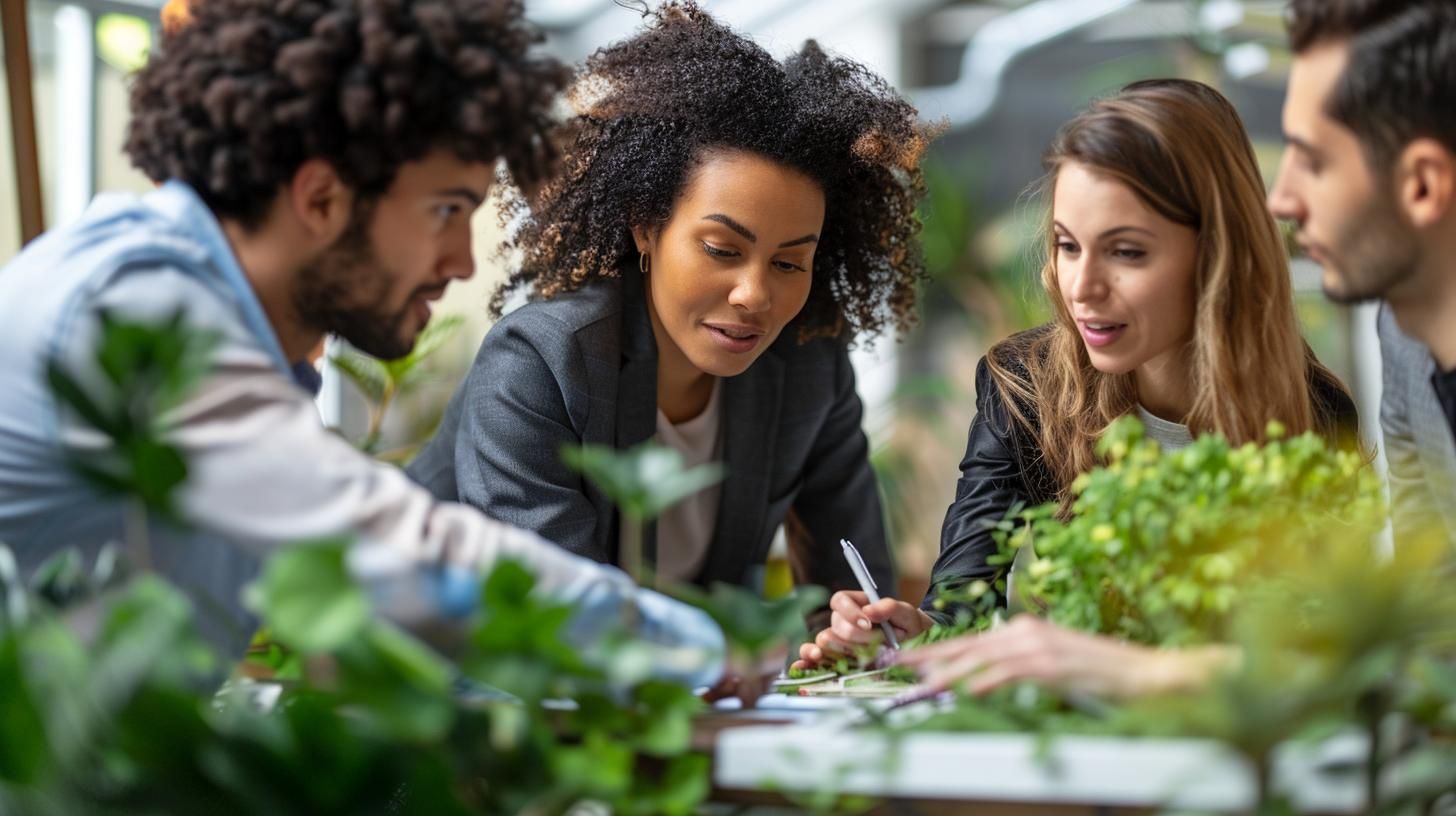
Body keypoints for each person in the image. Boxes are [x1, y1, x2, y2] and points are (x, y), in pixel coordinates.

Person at [0, 0, 724, 689]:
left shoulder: (185, 304)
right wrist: (697, 650)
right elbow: (388, 554)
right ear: (320, 198)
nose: (462, 263)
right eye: (446, 210)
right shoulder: (138, 311)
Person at [796, 78, 1357, 697]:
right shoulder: (1027, 388)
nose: (1082, 286)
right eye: (1067, 246)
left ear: (1215, 254)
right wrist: (906, 636)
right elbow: (963, 606)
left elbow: (1321, 656)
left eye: (1126, 252)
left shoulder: (1314, 416)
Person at [409, 1, 930, 598]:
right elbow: (559, 612)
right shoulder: (541, 363)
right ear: (646, 228)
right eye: (721, 249)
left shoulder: (810, 367)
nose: (754, 294)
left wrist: (853, 633)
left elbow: (854, 583)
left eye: (789, 263)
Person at [1267, 0, 1456, 549]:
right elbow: (1433, 606)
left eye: (1312, 160)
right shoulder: (1403, 339)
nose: (1282, 200)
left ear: (1421, 184)